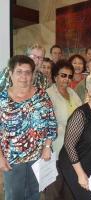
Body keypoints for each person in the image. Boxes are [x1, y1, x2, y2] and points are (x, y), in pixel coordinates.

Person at [0, 55, 57, 200]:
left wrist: (47, 147)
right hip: (12, 160)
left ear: (32, 75)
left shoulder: (42, 95)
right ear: (11, 73)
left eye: (27, 72)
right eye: (19, 71)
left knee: (34, 195)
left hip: (38, 158)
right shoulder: (2, 99)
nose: (23, 76)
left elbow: (51, 122)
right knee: (14, 196)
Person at [58, 70, 91, 200]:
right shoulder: (80, 115)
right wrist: (80, 174)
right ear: (89, 91)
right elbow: (69, 145)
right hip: (74, 163)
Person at [44, 60, 82, 200]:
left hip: (73, 149)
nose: (67, 79)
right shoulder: (48, 94)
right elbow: (46, 123)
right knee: (53, 190)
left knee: (69, 189)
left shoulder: (72, 93)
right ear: (55, 76)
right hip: (55, 148)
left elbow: (82, 114)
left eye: (70, 76)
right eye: (63, 75)